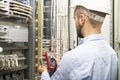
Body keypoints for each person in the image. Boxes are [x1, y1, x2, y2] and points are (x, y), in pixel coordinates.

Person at [38, 0, 118, 80]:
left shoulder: (73, 58)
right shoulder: (112, 55)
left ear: (81, 19)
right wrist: (63, 66)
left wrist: (44, 73)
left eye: (75, 19)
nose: (75, 23)